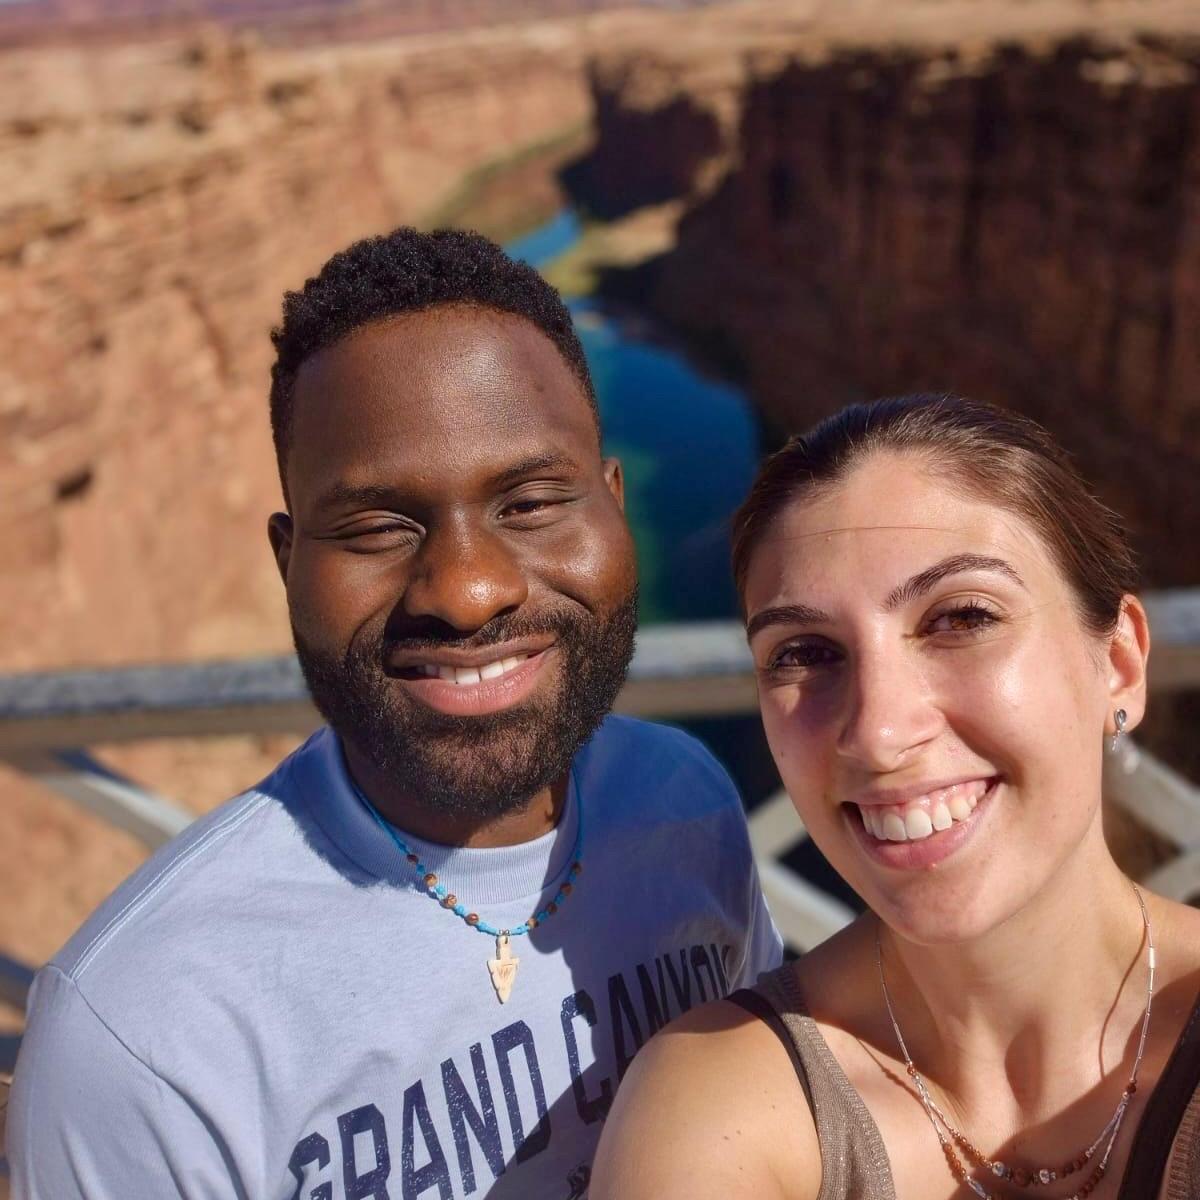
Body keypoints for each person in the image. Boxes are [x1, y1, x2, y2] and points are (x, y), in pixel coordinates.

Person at [8, 227, 782, 1199]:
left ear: (613, 506)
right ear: (288, 561)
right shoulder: (144, 1038)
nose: (466, 590)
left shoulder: (690, 802)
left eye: (531, 504)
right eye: (378, 527)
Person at [592, 395, 1200, 1199]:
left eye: (961, 618)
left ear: (1118, 665)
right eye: (805, 652)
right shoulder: (713, 1110)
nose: (877, 734)